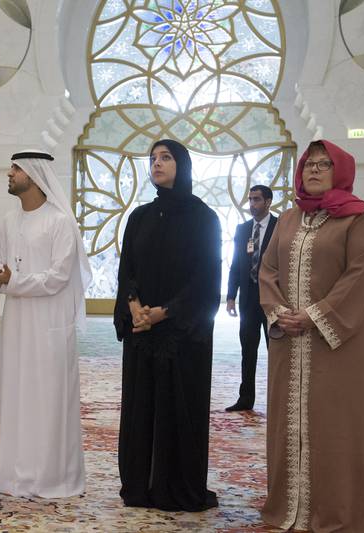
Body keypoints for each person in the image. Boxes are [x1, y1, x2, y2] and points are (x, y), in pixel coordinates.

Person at [259, 140, 364, 532]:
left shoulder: (359, 218)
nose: (313, 171)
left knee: (336, 425)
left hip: (339, 343)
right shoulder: (287, 218)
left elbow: (360, 276)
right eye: (308, 165)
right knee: (289, 422)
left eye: (324, 164)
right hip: (290, 340)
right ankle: (291, 509)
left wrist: (315, 316)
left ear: (342, 171)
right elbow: (267, 271)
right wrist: (281, 313)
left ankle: (340, 513)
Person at [114, 139, 221, 511]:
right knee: (141, 407)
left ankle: (176, 486)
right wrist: (135, 308)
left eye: (166, 158)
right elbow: (126, 270)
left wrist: (166, 312)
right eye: (153, 159)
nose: (157, 164)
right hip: (142, 331)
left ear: (183, 165)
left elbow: (206, 278)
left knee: (179, 408)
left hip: (182, 333)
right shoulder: (140, 217)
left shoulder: (204, 218)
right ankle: (140, 486)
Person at [0, 150, 92, 498]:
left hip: (50, 323)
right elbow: (3, 267)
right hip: (17, 322)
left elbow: (59, 277)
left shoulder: (60, 222)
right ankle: (17, 473)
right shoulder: (11, 221)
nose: (9, 173)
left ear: (33, 174)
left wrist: (14, 280)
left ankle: (53, 476)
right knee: (17, 393)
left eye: (16, 169)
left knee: (49, 396)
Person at [225, 185, 277, 412]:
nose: (252, 204)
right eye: (250, 199)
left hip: (273, 300)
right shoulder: (243, 229)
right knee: (248, 349)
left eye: (257, 199)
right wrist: (230, 296)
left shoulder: (281, 227)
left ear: (268, 202)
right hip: (248, 299)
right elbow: (236, 264)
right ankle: (245, 399)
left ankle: (279, 401)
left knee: (276, 351)